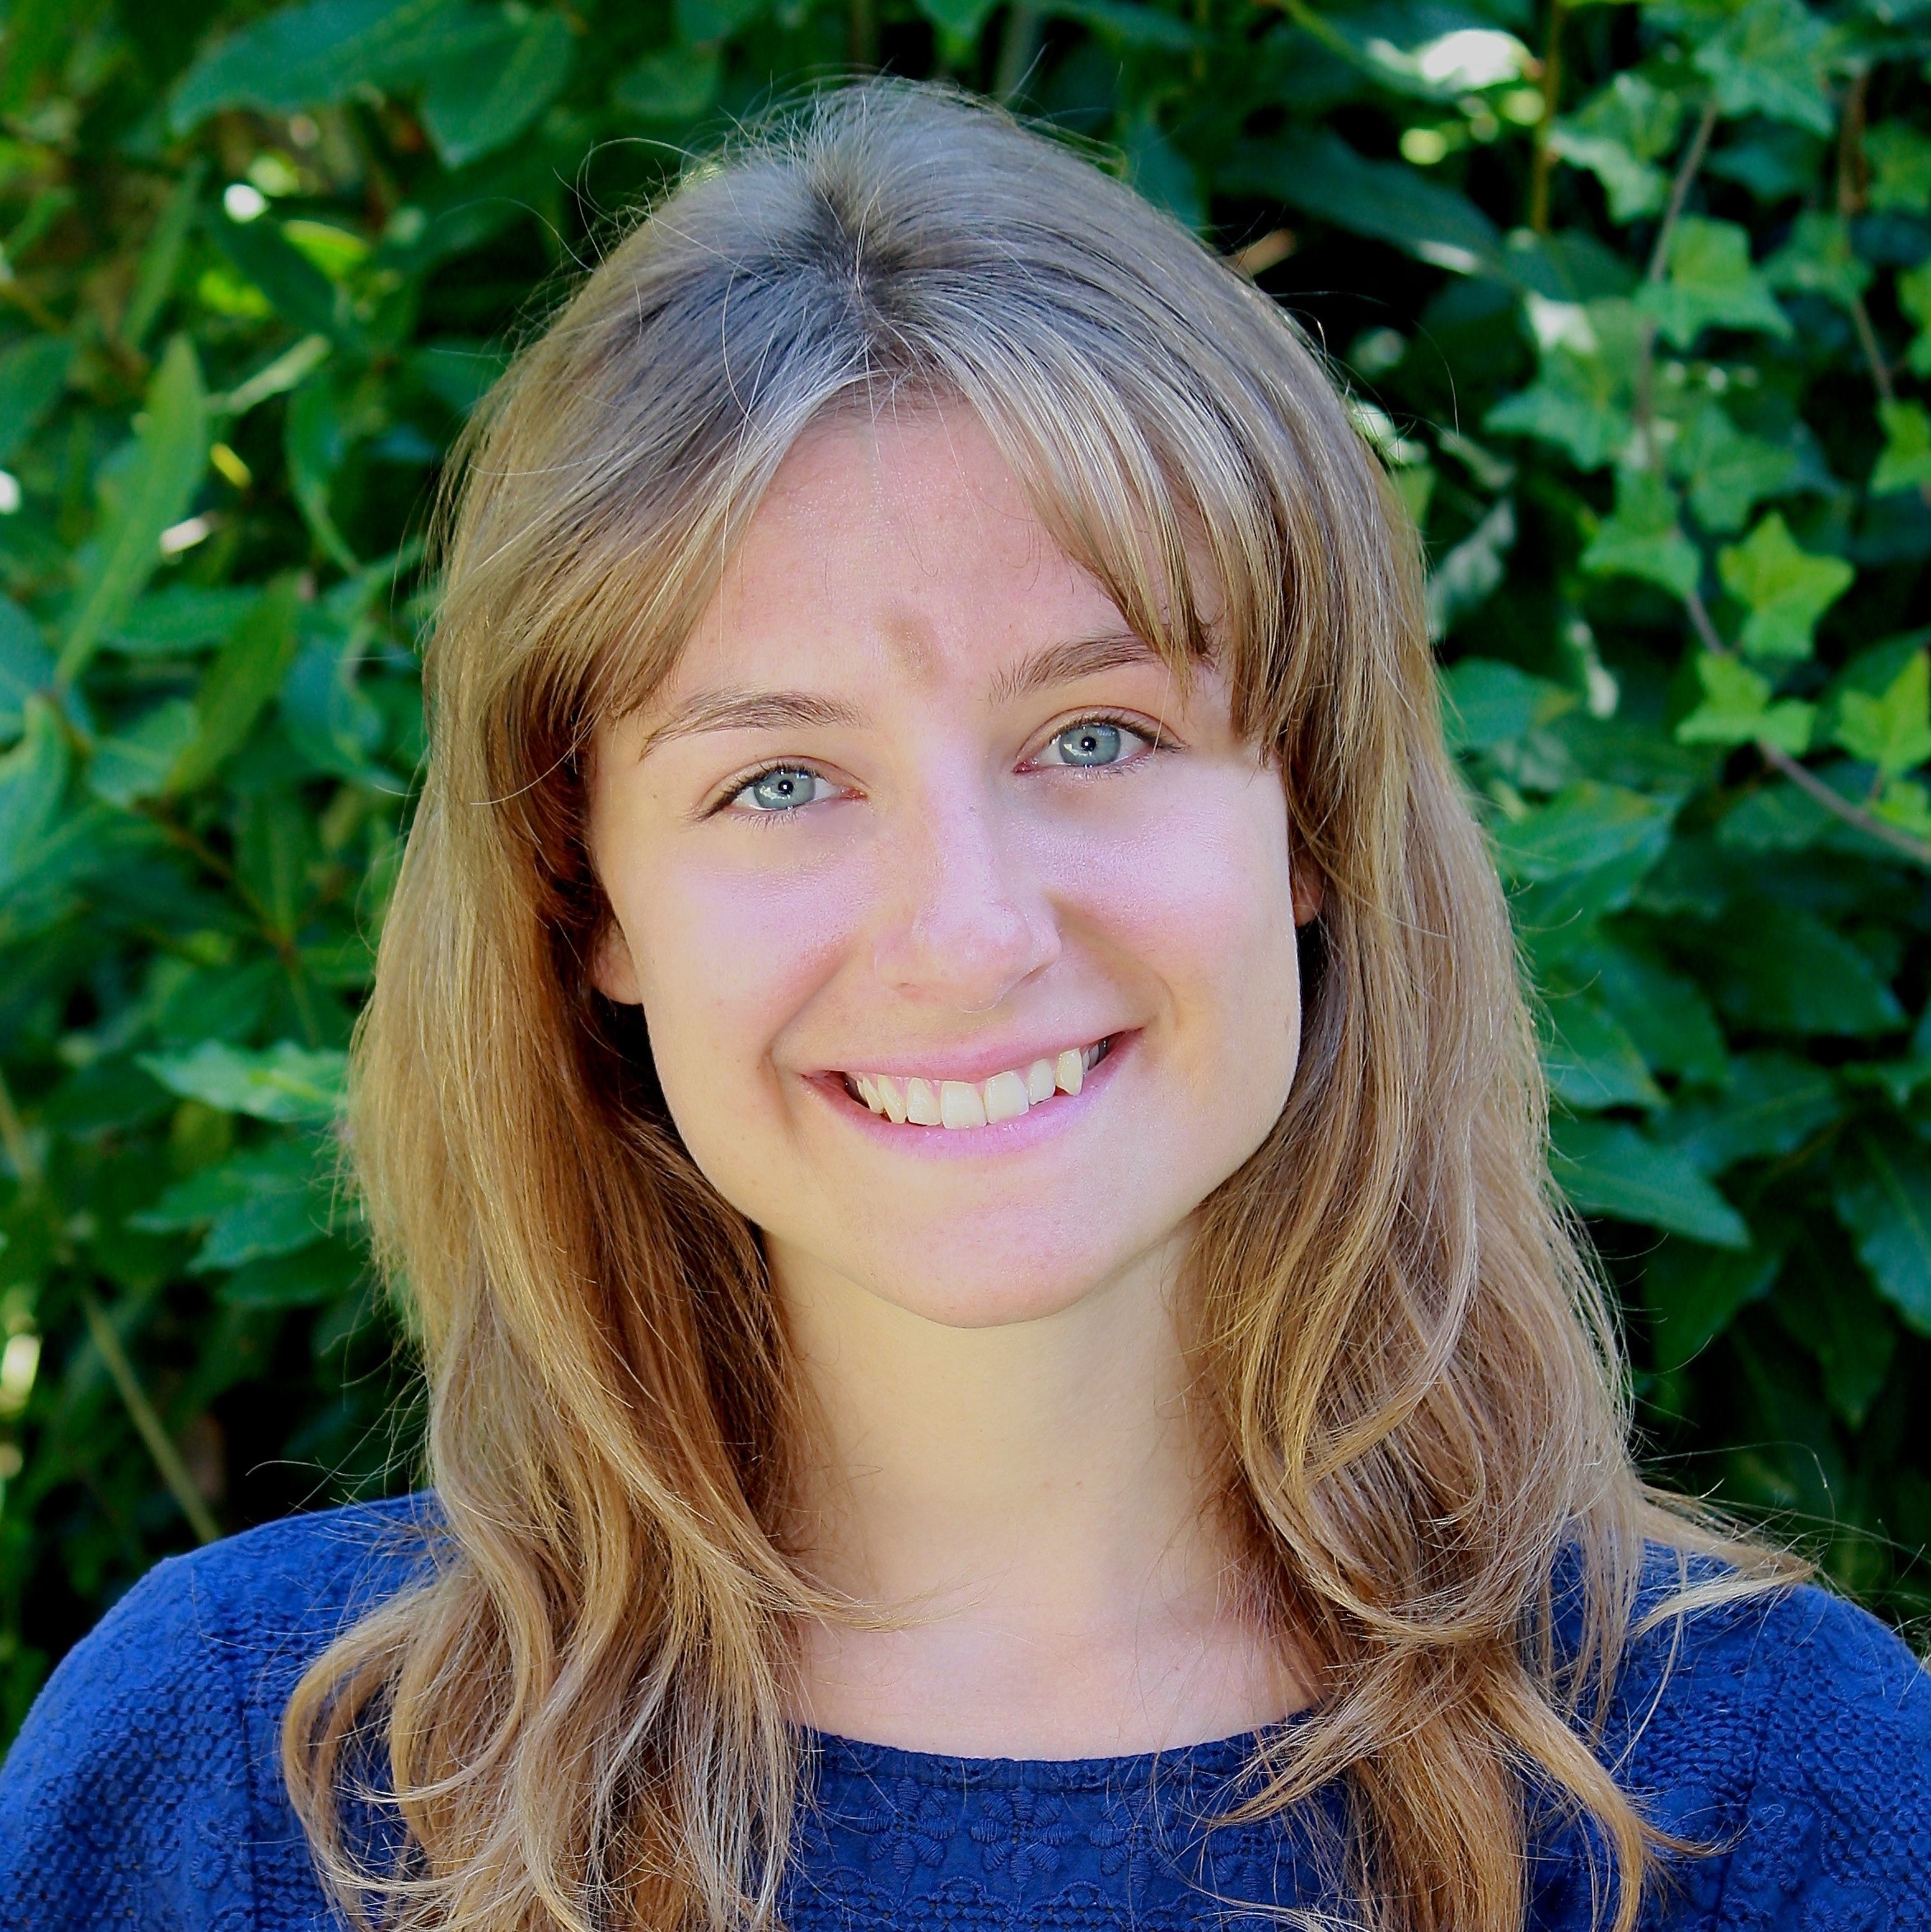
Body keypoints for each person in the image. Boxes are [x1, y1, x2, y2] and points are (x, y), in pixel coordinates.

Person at [1, 78, 1925, 1932]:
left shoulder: (1766, 1803)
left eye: (1094, 732)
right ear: (585, 901)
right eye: (777, 779)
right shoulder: (255, 1789)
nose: (969, 930)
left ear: (1310, 820)